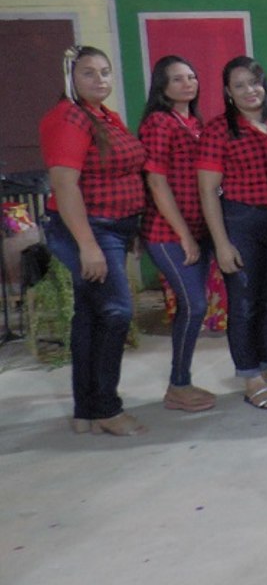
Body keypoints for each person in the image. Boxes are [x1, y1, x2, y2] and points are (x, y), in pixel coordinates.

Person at [40, 46, 148, 436]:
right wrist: (88, 245)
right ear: (70, 77)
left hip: (115, 227)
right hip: (87, 229)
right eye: (89, 73)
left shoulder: (104, 116)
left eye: (105, 72)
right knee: (117, 311)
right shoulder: (68, 117)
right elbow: (65, 186)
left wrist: (130, 229)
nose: (100, 80)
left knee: (90, 314)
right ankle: (107, 408)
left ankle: (85, 409)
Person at [197, 56, 267, 410]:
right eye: (240, 85)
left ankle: (266, 371)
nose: (250, 91)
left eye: (254, 82)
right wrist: (221, 242)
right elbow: (208, 190)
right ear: (228, 93)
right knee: (245, 303)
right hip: (240, 221)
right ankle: (249, 375)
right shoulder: (219, 130)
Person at [138, 55, 215, 413]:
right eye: (178, 79)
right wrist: (183, 233)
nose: (188, 83)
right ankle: (178, 385)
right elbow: (156, 180)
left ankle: (180, 382)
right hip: (167, 232)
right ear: (162, 87)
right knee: (194, 304)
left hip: (199, 229)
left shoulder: (195, 123)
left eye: (191, 76)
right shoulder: (159, 123)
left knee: (192, 308)